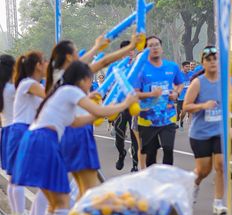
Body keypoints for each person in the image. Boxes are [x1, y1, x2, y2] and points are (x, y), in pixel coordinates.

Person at [13, 61, 136, 215]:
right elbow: (101, 112)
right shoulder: (71, 91)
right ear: (83, 79)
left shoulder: (63, 92)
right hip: (44, 140)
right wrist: (126, 103)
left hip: (35, 139)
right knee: (61, 200)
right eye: (90, 80)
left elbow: (77, 121)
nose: (90, 85)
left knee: (55, 202)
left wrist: (92, 106)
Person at [48, 35, 139, 197]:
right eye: (76, 52)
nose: (80, 56)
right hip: (76, 135)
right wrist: (124, 104)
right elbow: (103, 62)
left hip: (70, 131)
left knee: (71, 190)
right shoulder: (68, 80)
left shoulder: (60, 77)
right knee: (87, 190)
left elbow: (99, 62)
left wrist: (97, 47)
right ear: (69, 58)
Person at [184, 46, 232, 215]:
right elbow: (186, 106)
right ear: (203, 63)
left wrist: (231, 105)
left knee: (221, 166)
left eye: (215, 59)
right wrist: (203, 106)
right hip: (200, 133)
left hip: (219, 132)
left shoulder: (225, 81)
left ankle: (218, 202)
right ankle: (193, 187)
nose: (212, 62)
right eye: (208, 60)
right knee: (203, 170)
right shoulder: (197, 83)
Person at [5, 52, 47, 215]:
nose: (47, 64)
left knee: (16, 178)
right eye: (44, 61)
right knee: (38, 178)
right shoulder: (28, 84)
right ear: (37, 65)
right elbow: (51, 96)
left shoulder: (25, 85)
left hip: (21, 130)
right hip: (22, 130)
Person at [135, 36, 184, 167]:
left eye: (157, 44)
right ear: (145, 50)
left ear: (161, 48)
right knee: (151, 154)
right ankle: (153, 176)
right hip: (147, 119)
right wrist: (151, 94)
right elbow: (134, 93)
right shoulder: (140, 70)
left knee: (168, 148)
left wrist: (176, 92)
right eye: (150, 46)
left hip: (168, 117)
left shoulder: (172, 67)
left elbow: (180, 83)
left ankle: (166, 176)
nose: (155, 48)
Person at [110, 40, 139, 172]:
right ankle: (121, 154)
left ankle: (135, 166)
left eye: (132, 49)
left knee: (135, 136)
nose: (130, 52)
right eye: (127, 50)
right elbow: (109, 85)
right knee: (119, 136)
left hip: (134, 106)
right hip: (120, 106)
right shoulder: (115, 67)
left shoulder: (138, 67)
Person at [0, 54, 16, 215]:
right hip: (16, 131)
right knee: (18, 177)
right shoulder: (13, 89)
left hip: (5, 131)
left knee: (12, 177)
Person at [177, 61, 192, 129]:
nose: (188, 68)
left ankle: (191, 124)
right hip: (181, 97)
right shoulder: (179, 74)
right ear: (183, 67)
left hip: (190, 96)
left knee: (190, 111)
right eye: (186, 66)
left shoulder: (192, 73)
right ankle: (181, 121)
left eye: (189, 66)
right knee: (183, 112)